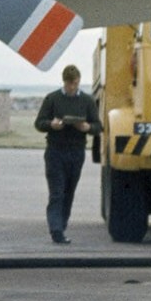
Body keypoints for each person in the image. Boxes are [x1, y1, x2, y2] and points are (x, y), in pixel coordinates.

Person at [35, 63, 99, 244]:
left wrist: (87, 127)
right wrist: (51, 125)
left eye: (75, 84)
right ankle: (56, 230)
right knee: (57, 192)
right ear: (64, 82)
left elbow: (97, 126)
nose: (72, 87)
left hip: (76, 151)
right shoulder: (52, 99)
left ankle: (61, 226)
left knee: (69, 191)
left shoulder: (87, 101)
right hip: (55, 151)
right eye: (69, 84)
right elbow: (39, 123)